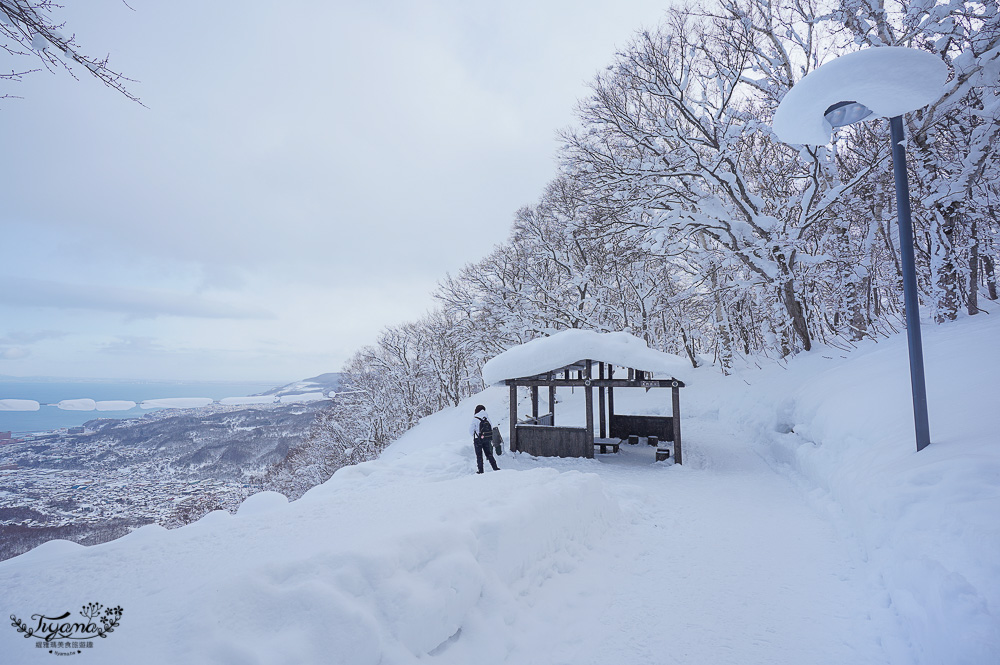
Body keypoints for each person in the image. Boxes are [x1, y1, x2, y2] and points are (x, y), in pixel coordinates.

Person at [469, 404, 500, 474]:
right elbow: (491, 427)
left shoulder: (475, 419)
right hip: (486, 439)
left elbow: (471, 430)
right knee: (489, 453)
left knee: (479, 455)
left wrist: (476, 434)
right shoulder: (487, 418)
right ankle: (495, 467)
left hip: (478, 439)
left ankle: (481, 471)